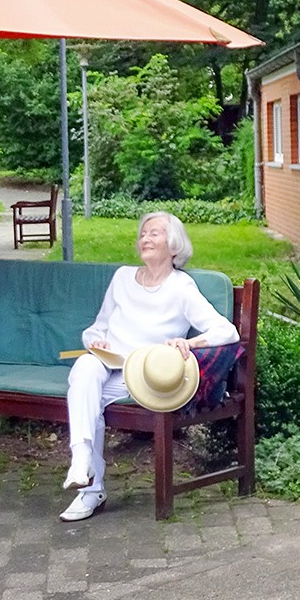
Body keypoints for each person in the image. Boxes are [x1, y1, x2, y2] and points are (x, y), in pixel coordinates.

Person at [60, 210, 239, 522]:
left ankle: (90, 490)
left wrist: (191, 343)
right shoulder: (122, 278)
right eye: (143, 233)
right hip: (107, 362)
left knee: (91, 401)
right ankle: (81, 460)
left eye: (154, 233)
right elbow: (96, 328)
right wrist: (97, 342)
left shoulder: (181, 288)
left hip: (143, 373)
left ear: (174, 246)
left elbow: (228, 331)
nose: (145, 238)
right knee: (85, 368)